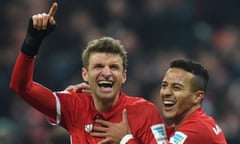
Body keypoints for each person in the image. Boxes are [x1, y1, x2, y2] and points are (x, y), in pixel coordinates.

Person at [9, 2, 169, 144]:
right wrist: (32, 42)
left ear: (124, 76)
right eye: (98, 66)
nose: (106, 72)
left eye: (113, 67)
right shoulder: (75, 105)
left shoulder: (145, 111)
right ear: (85, 74)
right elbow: (21, 87)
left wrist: (126, 139)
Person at [68, 59, 227, 144]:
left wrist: (125, 139)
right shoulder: (180, 129)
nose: (166, 93)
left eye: (176, 87)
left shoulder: (196, 130)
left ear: (197, 97)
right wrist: (101, 93)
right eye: (164, 85)